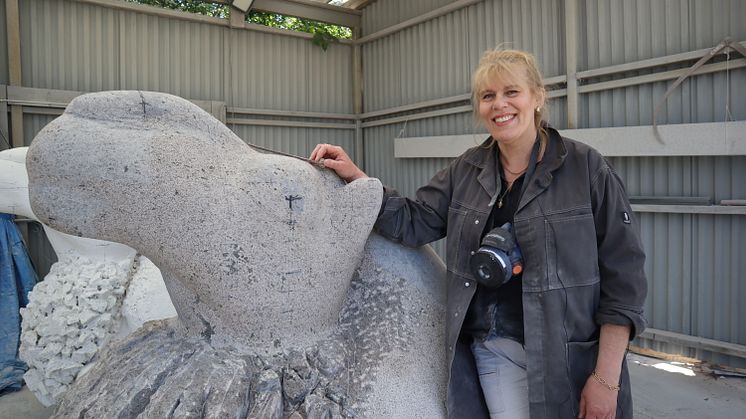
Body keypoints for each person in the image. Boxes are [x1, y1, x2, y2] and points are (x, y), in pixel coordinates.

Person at [310, 48, 647, 419]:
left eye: (511, 92)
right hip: (496, 350)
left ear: (537, 96)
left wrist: (606, 378)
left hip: (570, 358)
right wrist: (358, 181)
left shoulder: (586, 168)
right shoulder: (466, 170)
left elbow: (624, 278)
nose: (499, 104)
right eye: (488, 96)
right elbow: (415, 220)